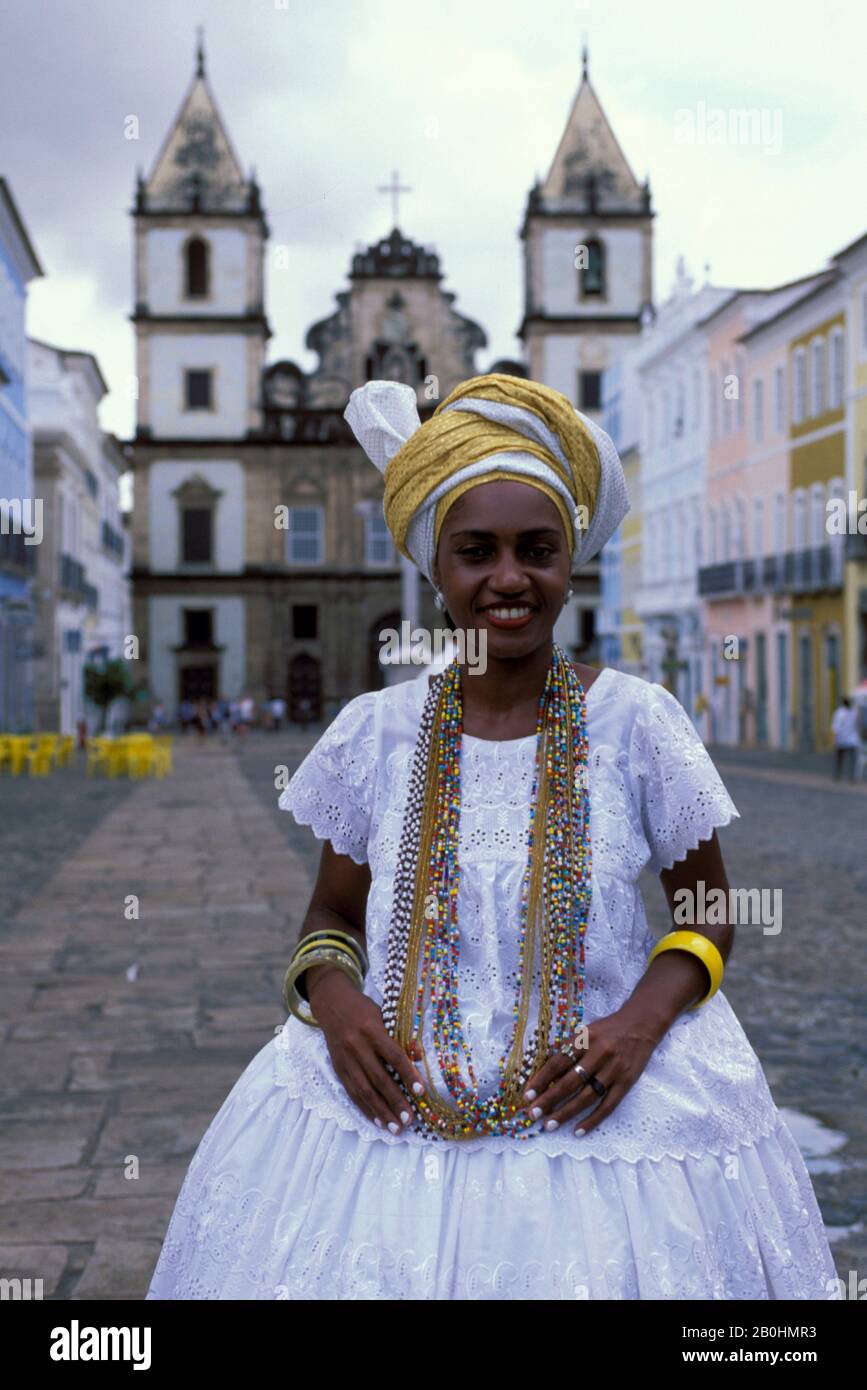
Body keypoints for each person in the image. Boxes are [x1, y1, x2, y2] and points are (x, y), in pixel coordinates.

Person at [145, 373, 839, 1301]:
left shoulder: (640, 723)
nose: (508, 578)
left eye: (536, 551)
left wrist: (637, 1026)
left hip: (606, 1097)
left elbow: (708, 912)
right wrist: (337, 1003)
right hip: (388, 1101)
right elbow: (330, 915)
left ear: (570, 564)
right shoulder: (375, 733)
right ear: (437, 570)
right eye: (477, 552)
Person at [830, 696, 860, 781]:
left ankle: (839, 775)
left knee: (840, 758)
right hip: (851, 739)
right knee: (852, 759)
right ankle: (851, 776)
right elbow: (858, 725)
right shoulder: (854, 712)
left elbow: (835, 727)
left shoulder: (840, 713)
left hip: (842, 739)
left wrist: (835, 738)